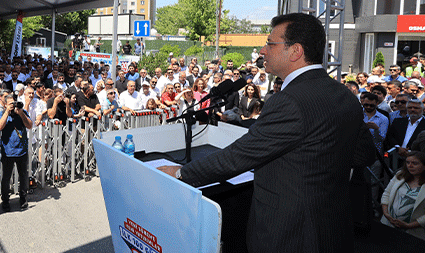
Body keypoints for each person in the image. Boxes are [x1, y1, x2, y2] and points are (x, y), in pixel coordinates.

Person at [158, 13, 376, 253]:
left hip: (289, 234)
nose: (262, 50)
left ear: (295, 51)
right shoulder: (345, 95)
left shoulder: (289, 101)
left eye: (270, 43)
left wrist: (181, 173)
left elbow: (238, 157)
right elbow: (364, 154)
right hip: (333, 228)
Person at [0, 95, 32, 211]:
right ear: (5, 104)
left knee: (23, 176)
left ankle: (23, 198)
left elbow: (29, 125)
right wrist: (7, 111)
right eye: (10, 104)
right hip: (8, 151)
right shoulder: (2, 113)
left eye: (14, 103)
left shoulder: (22, 112)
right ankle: (5, 200)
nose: (13, 106)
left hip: (22, 150)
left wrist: (21, 113)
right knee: (6, 178)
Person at [380, 151, 425, 240]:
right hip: (388, 224)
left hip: (413, 233)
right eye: (408, 162)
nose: (410, 165)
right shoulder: (400, 175)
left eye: (414, 163)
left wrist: (409, 225)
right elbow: (386, 194)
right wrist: (386, 214)